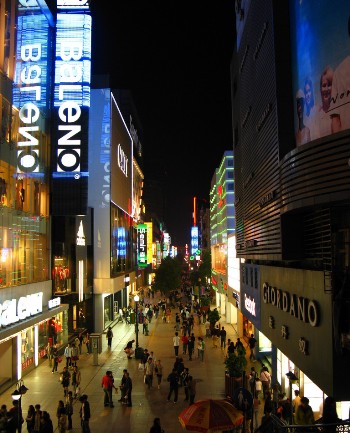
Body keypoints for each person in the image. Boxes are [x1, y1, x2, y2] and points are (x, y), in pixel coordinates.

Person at [316, 66, 334, 138]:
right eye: (324, 85)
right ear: (320, 89)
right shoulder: (316, 116)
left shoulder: (338, 112)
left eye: (329, 85)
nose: (326, 89)